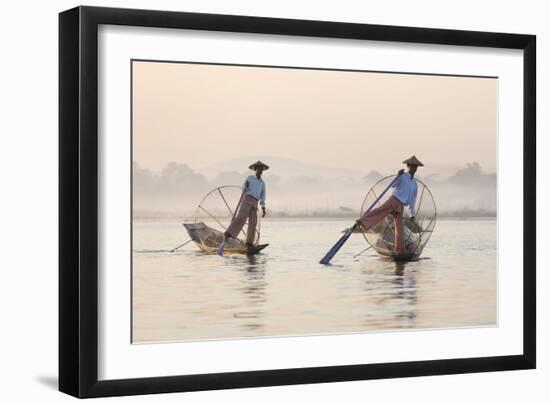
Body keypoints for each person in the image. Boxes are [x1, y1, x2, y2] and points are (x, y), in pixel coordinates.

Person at [356, 155, 424, 254]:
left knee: (399, 226)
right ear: (408, 166)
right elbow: (393, 185)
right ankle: (362, 222)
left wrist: (412, 214)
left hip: (401, 205)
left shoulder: (414, 183)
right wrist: (398, 175)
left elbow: (412, 200)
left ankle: (399, 250)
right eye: (412, 166)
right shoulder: (403, 176)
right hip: (394, 200)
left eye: (415, 167)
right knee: (381, 211)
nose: (414, 168)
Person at [224, 160, 268, 251]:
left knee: (253, 223)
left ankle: (249, 243)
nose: (260, 171)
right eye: (259, 169)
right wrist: (246, 186)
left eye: (261, 169)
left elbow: (263, 196)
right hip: (247, 199)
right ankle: (228, 234)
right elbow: (243, 188)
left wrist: (263, 208)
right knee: (241, 218)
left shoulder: (262, 183)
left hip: (255, 203)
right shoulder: (250, 178)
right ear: (255, 170)